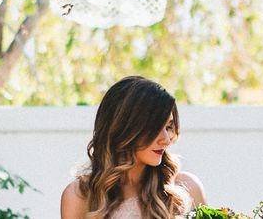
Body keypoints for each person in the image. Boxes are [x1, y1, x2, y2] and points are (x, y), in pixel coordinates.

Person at [61, 76, 206, 218]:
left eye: (168, 127)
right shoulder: (79, 196)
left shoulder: (187, 189)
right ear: (123, 129)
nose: (166, 139)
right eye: (154, 127)